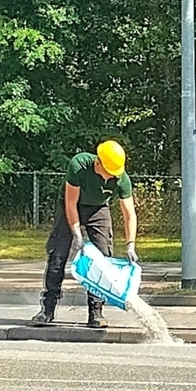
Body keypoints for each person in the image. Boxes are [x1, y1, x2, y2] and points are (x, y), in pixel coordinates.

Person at [32, 140, 139, 328]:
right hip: (71, 206)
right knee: (58, 255)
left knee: (102, 258)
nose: (111, 176)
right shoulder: (79, 165)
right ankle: (47, 309)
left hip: (98, 209)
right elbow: (71, 203)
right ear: (98, 163)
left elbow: (129, 213)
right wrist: (76, 233)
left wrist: (131, 244)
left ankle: (96, 312)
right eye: (109, 171)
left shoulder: (121, 178)